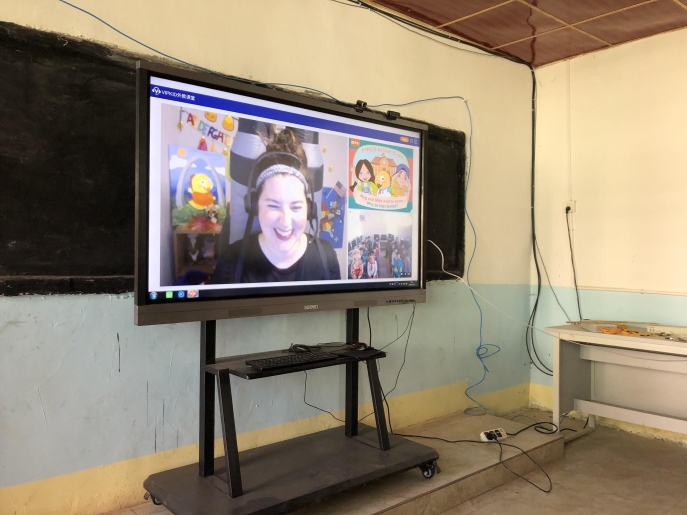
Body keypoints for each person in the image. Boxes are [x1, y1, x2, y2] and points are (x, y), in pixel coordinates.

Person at [212, 128, 341, 283]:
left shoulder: (327, 258)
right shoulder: (230, 262)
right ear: (254, 206)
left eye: (296, 207)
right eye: (273, 206)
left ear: (309, 209)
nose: (285, 222)